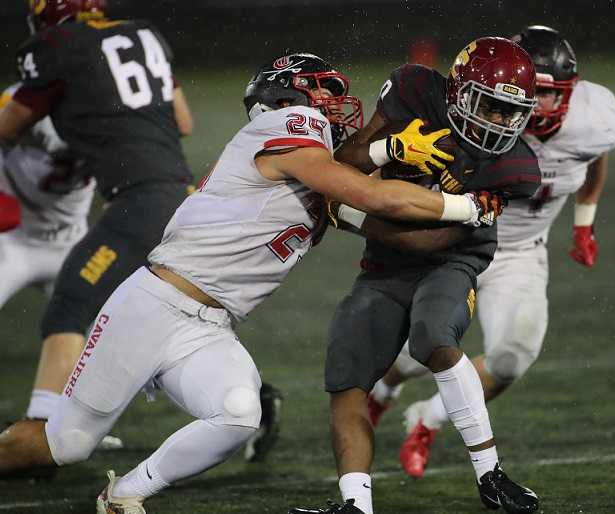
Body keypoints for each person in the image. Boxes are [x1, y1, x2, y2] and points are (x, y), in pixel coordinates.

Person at [0, 52, 503, 513]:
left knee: (239, 414)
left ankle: (125, 495)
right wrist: (467, 206)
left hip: (210, 324)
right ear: (287, 95)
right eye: (323, 90)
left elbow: (370, 207)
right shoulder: (289, 124)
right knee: (64, 445)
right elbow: (373, 198)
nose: (334, 103)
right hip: (155, 304)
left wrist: (400, 167)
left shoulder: (310, 160)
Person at [289, 37, 543, 514]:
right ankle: (355, 505)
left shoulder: (515, 166)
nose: (500, 123)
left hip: (451, 258)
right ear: (460, 92)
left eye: (511, 113)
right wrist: (391, 148)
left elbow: (428, 242)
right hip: (384, 265)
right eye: (490, 106)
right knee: (347, 372)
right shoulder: (414, 89)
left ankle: (491, 475)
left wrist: (355, 214)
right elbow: (348, 162)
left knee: (433, 336)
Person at [367, 25, 615, 482]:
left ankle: (428, 418)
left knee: (512, 356)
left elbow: (593, 154)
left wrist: (584, 223)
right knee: (429, 343)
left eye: (554, 95)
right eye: (534, 94)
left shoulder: (596, 117)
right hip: (457, 241)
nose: (542, 108)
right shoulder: (476, 109)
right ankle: (384, 388)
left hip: (522, 251)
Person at [0, 0, 194, 452]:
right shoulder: (143, 32)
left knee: (72, 309)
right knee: (139, 324)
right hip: (177, 199)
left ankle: (42, 435)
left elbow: (10, 125)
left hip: (129, 208)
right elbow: (182, 120)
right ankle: (243, 401)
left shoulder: (55, 50)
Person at [0, 84, 94, 311]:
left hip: (73, 244)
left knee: (102, 332)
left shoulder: (99, 108)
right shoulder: (19, 102)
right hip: (15, 243)